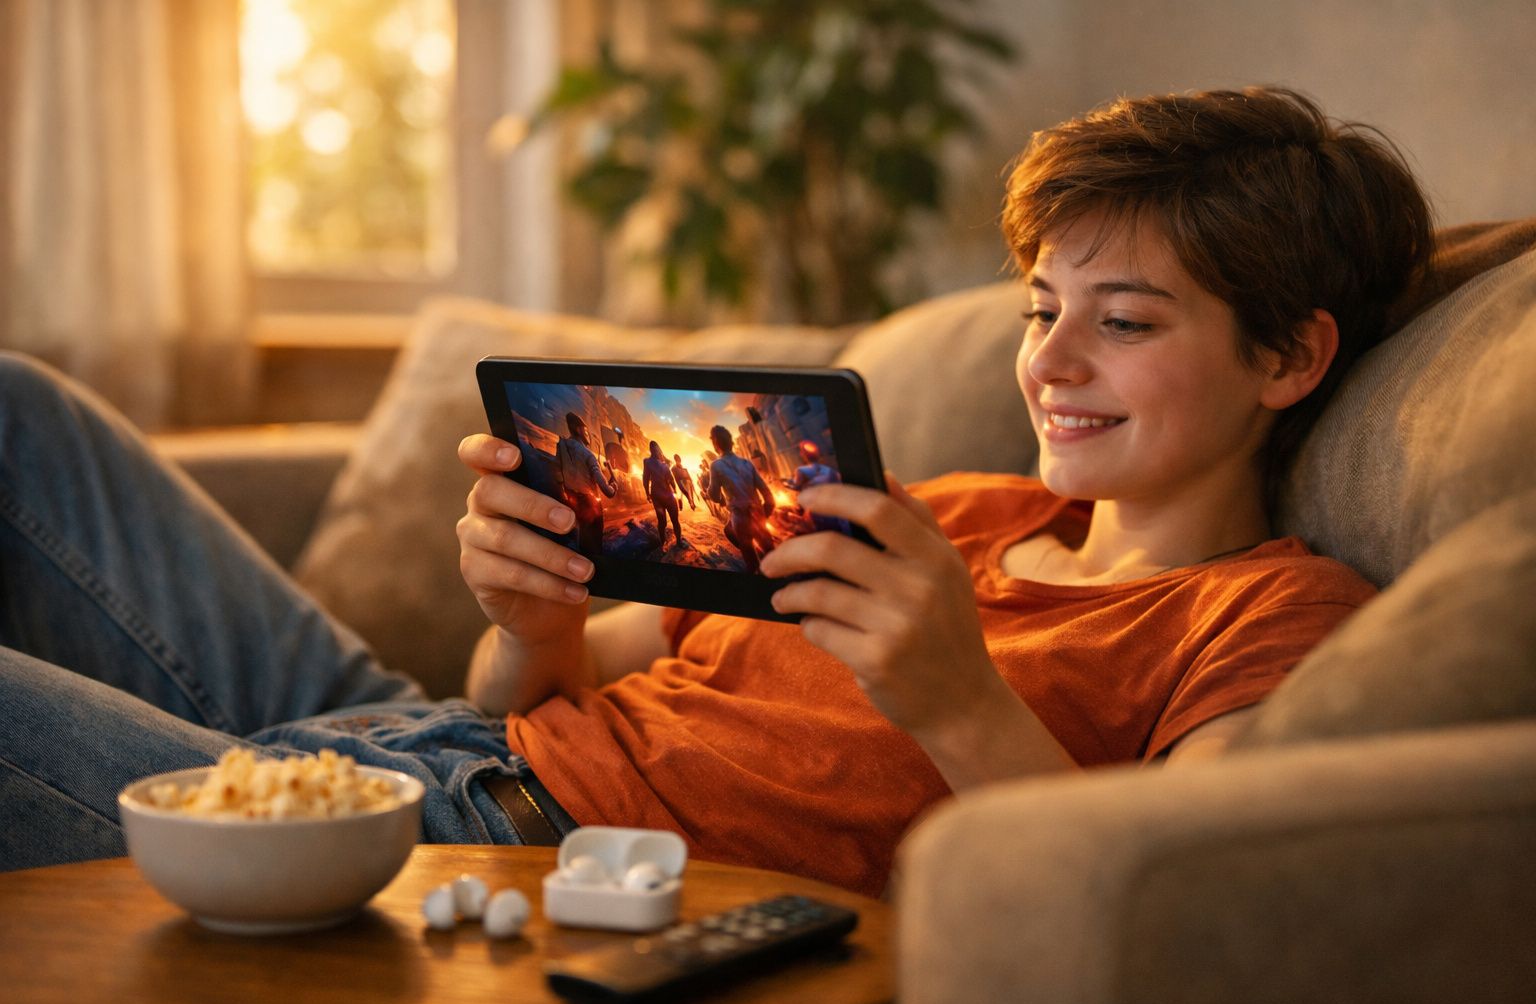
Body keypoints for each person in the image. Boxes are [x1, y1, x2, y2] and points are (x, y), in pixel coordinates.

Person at [0, 87, 1432, 897]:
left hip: (483, 844)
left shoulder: (1275, 615)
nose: (1051, 361)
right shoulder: (956, 510)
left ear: (1289, 355)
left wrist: (952, 693)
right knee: (19, 412)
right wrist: (532, 611)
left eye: (1124, 321)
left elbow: (1183, 897)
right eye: (1039, 308)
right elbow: (544, 691)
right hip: (413, 731)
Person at [704, 425, 778, 573]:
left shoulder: (716, 466)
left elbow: (714, 495)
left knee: (751, 561)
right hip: (757, 514)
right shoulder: (746, 463)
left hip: (740, 518)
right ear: (730, 441)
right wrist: (764, 514)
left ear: (716, 443)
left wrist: (711, 494)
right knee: (772, 556)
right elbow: (768, 495)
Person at [554, 412, 617, 559]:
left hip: (572, 497)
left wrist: (562, 488)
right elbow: (606, 490)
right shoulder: (587, 454)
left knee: (582, 534)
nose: (588, 434)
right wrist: (614, 487)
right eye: (586, 431)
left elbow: (557, 468)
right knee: (595, 541)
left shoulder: (561, 445)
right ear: (578, 430)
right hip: (590, 502)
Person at [782, 440, 848, 534]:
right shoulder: (829, 470)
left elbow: (795, 486)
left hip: (818, 512)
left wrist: (785, 483)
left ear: (803, 455)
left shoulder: (801, 470)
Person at [641, 441, 684, 549]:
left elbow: (671, 478)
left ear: (659, 450)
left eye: (656, 448)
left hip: (668, 495)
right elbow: (645, 478)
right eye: (653, 448)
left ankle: (678, 541)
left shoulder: (664, 464)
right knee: (662, 521)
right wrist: (647, 493)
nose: (655, 450)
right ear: (651, 450)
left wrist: (675, 491)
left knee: (675, 520)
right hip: (657, 497)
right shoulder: (647, 462)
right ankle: (663, 543)